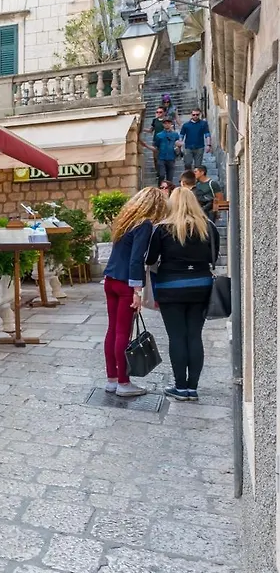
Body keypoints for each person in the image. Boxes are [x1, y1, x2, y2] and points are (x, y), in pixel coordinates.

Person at [145, 187, 220, 402]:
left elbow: (150, 259)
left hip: (170, 287)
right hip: (201, 286)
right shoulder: (208, 227)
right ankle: (192, 388)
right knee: (194, 336)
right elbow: (214, 257)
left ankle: (180, 386)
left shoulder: (162, 229)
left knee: (177, 336)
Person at [101, 187, 169, 397]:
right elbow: (136, 259)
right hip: (125, 284)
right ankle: (124, 382)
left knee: (112, 330)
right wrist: (137, 291)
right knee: (123, 332)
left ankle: (112, 379)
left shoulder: (125, 221)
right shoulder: (144, 225)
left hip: (111, 279)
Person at [147, 119, 181, 186]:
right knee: (161, 175)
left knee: (170, 178)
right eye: (165, 123)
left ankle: (169, 190)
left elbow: (178, 144)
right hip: (161, 158)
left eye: (168, 123)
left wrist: (178, 150)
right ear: (163, 124)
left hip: (171, 157)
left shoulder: (175, 134)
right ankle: (160, 187)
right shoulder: (159, 135)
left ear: (171, 124)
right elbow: (156, 146)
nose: (167, 124)